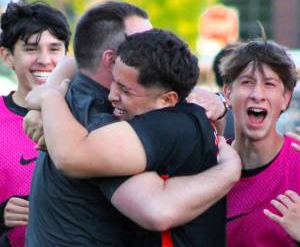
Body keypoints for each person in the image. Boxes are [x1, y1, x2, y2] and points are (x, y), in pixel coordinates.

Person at [25, 27, 241, 246]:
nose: (111, 95)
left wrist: (50, 97)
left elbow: (71, 155)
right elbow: (75, 61)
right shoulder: (181, 111)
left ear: (167, 100)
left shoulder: (171, 127)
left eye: (126, 90)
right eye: (113, 81)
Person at [0, 0, 70, 247]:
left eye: (54, 49)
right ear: (7, 56)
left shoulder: (89, 117)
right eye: (31, 49)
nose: (44, 60)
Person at [220, 39, 300, 246]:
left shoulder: (297, 164)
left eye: (269, 84)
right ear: (228, 93)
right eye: (247, 82)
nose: (257, 95)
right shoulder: (203, 163)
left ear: (285, 98)